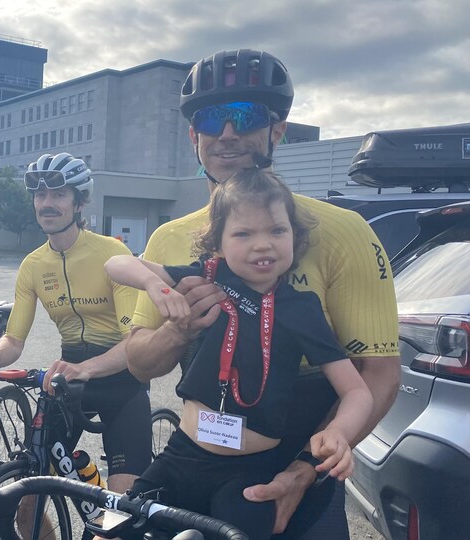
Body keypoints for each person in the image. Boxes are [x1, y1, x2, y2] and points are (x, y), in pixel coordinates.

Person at [124, 49, 400, 539]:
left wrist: (306, 470)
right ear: (194, 137)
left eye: (246, 116)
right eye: (212, 119)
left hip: (295, 464)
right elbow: (142, 364)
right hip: (193, 449)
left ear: (277, 131)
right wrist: (177, 329)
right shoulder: (169, 239)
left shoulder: (344, 232)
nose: (227, 133)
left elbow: (378, 372)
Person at [107, 167, 373, 540]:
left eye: (277, 231)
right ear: (218, 244)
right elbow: (116, 263)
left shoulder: (302, 308)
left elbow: (357, 391)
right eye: (244, 233)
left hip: (250, 473)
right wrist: (156, 284)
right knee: (112, 528)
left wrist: (340, 433)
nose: (262, 244)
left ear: (294, 238)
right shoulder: (210, 276)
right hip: (180, 456)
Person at [0, 152, 155, 497]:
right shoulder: (33, 265)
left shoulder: (112, 256)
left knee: (124, 504)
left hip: (122, 381)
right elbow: (14, 338)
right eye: (40, 196)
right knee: (27, 494)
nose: (47, 203)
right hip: (68, 381)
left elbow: (136, 341)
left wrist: (86, 368)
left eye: (58, 195)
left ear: (79, 202)